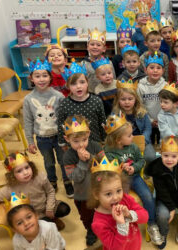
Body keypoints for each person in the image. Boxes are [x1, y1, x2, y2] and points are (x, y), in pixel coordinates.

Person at [103, 113, 163, 246]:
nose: (133, 137)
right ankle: (120, 224)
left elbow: (141, 160)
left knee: (147, 196)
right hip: (118, 182)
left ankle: (152, 224)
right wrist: (119, 168)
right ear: (119, 139)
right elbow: (108, 169)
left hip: (135, 177)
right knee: (119, 201)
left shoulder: (133, 146)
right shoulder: (108, 151)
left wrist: (134, 168)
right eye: (129, 135)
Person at [23, 58, 73, 197]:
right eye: (37, 76)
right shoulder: (28, 99)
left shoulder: (58, 96)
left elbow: (65, 117)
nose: (41, 79)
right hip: (42, 138)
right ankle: (52, 181)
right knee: (49, 162)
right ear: (31, 78)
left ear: (50, 76)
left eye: (45, 75)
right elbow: (28, 121)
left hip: (59, 136)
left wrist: (68, 135)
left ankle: (68, 181)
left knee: (64, 160)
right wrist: (30, 141)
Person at [0, 153, 70, 230]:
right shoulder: (10, 188)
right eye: (19, 171)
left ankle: (52, 217)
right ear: (12, 175)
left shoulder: (39, 177)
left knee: (64, 209)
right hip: (34, 215)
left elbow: (50, 191)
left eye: (27, 167)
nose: (25, 172)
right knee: (46, 228)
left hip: (47, 205)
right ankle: (49, 220)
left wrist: (49, 208)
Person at [88, 154, 148, 249]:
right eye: (108, 194)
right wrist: (121, 224)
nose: (116, 197)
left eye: (118, 191)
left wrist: (129, 215)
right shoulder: (99, 223)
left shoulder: (125, 198)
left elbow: (145, 217)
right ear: (96, 194)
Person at [62, 115, 104, 246]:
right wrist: (82, 162)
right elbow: (74, 177)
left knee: (104, 212)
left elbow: (104, 166)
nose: (81, 144)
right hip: (83, 194)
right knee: (87, 217)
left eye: (84, 140)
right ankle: (91, 231)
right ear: (67, 139)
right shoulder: (68, 156)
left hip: (101, 189)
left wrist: (90, 158)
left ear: (89, 134)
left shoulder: (96, 146)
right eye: (76, 141)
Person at [57, 60, 106, 147]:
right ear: (68, 86)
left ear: (87, 83)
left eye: (82, 82)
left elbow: (102, 121)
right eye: (73, 84)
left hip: (95, 143)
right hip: (74, 145)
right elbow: (61, 124)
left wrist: (104, 139)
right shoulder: (64, 104)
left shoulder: (96, 101)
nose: (78, 86)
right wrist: (62, 143)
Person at [112, 79, 156, 163]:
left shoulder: (141, 112)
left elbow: (148, 128)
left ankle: (147, 173)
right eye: (123, 99)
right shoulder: (115, 115)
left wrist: (142, 139)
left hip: (142, 141)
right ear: (118, 100)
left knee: (150, 156)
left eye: (130, 99)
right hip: (123, 142)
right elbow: (114, 131)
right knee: (122, 158)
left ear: (135, 99)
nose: (127, 102)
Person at [137, 52, 167, 145]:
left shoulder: (166, 86)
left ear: (163, 71)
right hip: (146, 123)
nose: (155, 70)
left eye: (158, 68)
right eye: (152, 67)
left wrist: (161, 119)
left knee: (162, 145)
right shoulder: (140, 87)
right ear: (145, 70)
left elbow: (169, 105)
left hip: (163, 122)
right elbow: (139, 106)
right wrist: (150, 121)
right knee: (148, 144)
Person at [82, 28, 115, 92]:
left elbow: (113, 79)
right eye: (92, 44)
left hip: (106, 93)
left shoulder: (109, 63)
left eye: (98, 45)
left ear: (104, 49)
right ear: (87, 47)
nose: (95, 47)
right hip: (90, 93)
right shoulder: (84, 63)